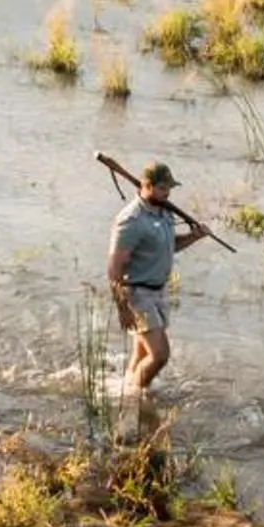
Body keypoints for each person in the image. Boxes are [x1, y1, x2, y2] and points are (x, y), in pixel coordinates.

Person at [106, 159, 213, 395]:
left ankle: (126, 391)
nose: (168, 193)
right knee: (160, 355)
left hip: (158, 292)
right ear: (147, 186)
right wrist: (122, 306)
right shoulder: (130, 221)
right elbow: (114, 267)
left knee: (142, 354)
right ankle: (137, 395)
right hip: (137, 294)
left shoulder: (164, 213)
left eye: (170, 189)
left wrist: (194, 237)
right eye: (163, 188)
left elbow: (168, 246)